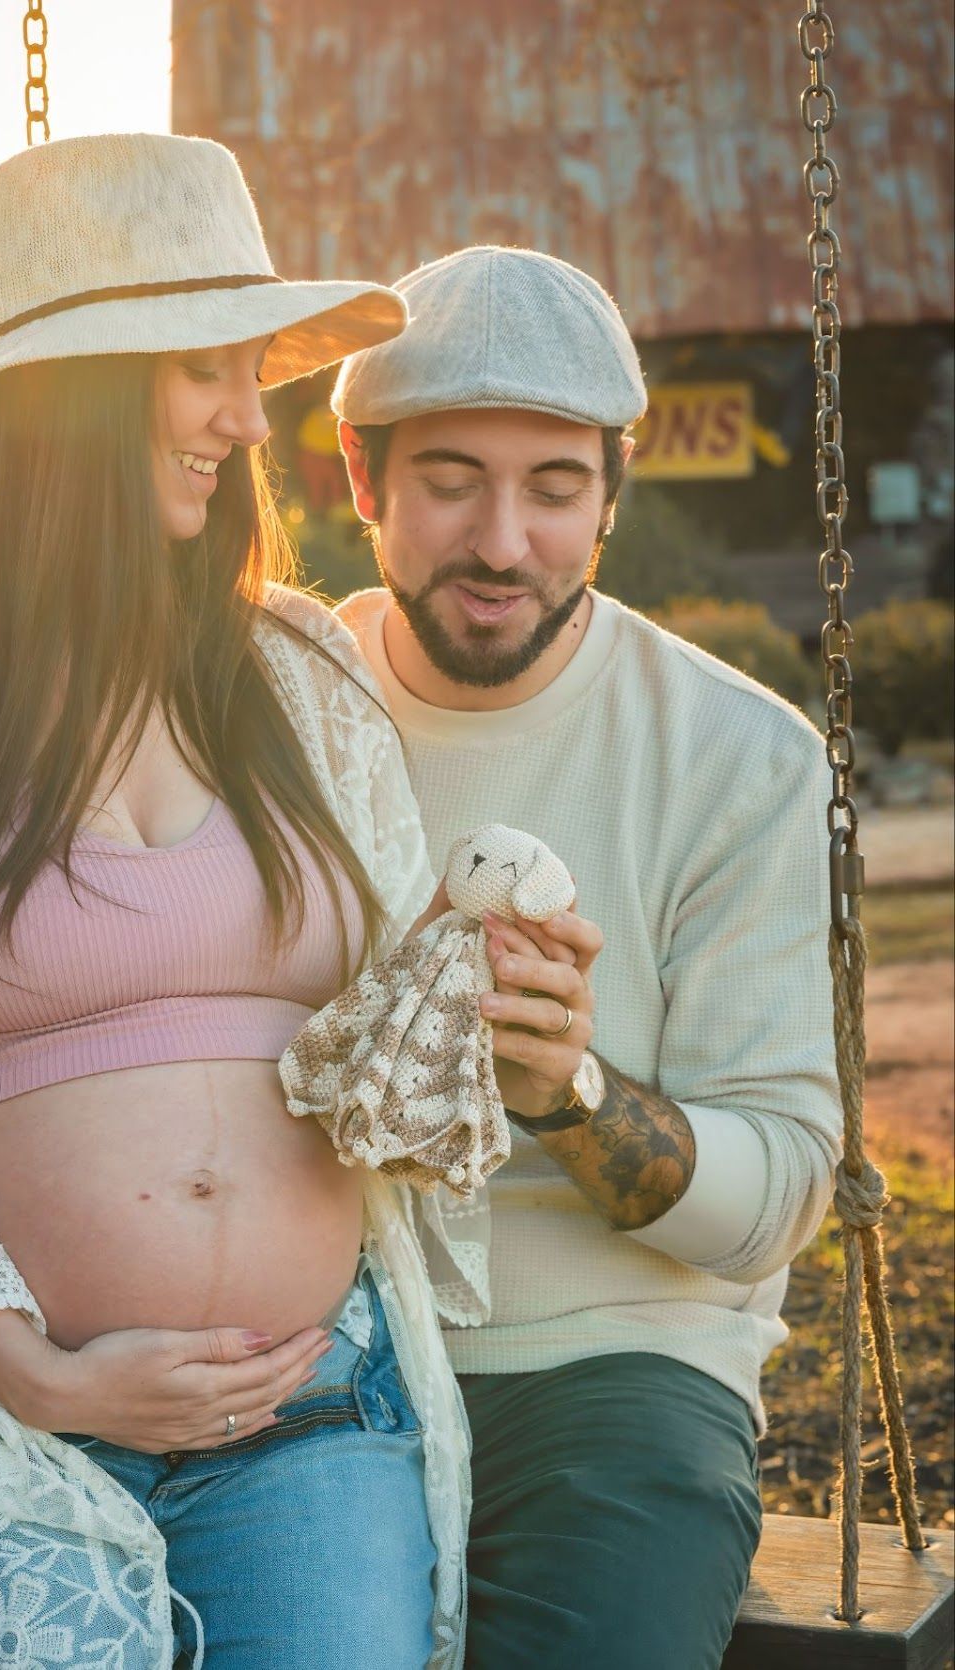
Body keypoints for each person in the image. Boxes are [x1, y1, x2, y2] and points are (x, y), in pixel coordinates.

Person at [0, 134, 474, 1670]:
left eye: (250, 369)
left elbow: (394, 1026)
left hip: (310, 1413)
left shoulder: (298, 679)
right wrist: (36, 1368)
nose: (245, 420)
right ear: (75, 384)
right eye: (207, 369)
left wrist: (478, 1003)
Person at [330, 245, 841, 1669]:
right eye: (450, 478)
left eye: (555, 486)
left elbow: (784, 1190)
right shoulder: (275, 710)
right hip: (309, 1337)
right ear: (362, 481)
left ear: (611, 496)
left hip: (615, 1367)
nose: (503, 540)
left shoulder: (736, 756)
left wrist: (566, 1087)